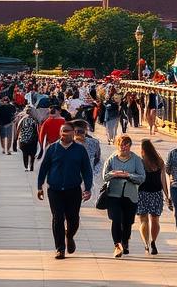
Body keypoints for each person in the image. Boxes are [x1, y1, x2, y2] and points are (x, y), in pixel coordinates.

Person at [36, 121, 93, 259]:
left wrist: (88, 188)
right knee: (57, 218)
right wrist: (39, 186)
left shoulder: (80, 150)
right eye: (62, 131)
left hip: (73, 190)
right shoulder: (52, 148)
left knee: (73, 219)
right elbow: (44, 168)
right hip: (54, 190)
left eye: (67, 131)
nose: (64, 134)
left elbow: (87, 170)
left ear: (73, 133)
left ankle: (70, 235)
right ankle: (60, 248)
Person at [102, 134, 146, 258]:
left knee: (127, 222)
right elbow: (104, 176)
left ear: (130, 146)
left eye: (126, 145)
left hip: (130, 195)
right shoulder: (112, 159)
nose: (123, 147)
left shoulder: (136, 159)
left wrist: (128, 175)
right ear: (117, 145)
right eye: (121, 145)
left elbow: (142, 177)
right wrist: (114, 174)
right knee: (116, 219)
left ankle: (125, 241)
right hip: (114, 194)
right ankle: (117, 245)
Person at [137, 139, 170, 255]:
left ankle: (146, 244)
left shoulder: (140, 162)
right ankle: (153, 241)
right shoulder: (159, 162)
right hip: (156, 193)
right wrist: (167, 195)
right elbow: (163, 180)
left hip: (142, 193)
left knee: (144, 220)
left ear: (142, 149)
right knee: (155, 219)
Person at [17, 107, 40, 171]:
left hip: (23, 140)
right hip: (33, 140)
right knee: (32, 154)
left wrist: (16, 138)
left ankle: (26, 167)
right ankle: (31, 165)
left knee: (25, 154)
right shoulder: (35, 120)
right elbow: (38, 130)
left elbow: (18, 129)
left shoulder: (22, 119)